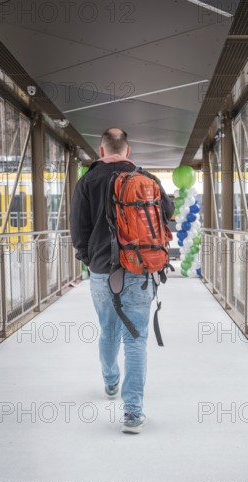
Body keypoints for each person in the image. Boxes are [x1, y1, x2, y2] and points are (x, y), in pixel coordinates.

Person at [70, 128, 174, 433]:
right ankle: (132, 413)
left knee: (109, 330)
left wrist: (92, 262)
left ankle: (111, 382)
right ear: (128, 151)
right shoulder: (147, 179)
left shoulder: (87, 181)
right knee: (136, 339)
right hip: (141, 270)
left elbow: (78, 231)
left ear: (101, 151)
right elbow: (167, 215)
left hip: (103, 271)